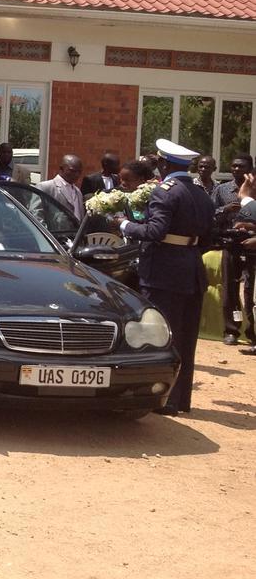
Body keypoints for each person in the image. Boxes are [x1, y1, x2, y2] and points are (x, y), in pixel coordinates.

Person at [114, 139, 214, 415]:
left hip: (163, 273)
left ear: (163, 164)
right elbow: (208, 239)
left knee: (161, 334)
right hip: (191, 270)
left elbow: (155, 231)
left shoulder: (165, 192)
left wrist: (125, 225)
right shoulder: (201, 193)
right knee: (185, 337)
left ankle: (163, 398)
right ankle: (180, 400)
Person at [212, 154, 256, 345]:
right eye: (234, 166)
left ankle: (252, 331)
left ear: (250, 169)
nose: (236, 169)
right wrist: (225, 210)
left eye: (241, 166)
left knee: (250, 290)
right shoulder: (221, 190)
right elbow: (210, 215)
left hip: (253, 246)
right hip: (230, 244)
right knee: (231, 289)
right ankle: (232, 329)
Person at [36, 155, 85, 220]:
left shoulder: (78, 192)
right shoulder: (46, 187)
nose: (77, 175)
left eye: (79, 172)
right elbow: (36, 214)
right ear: (61, 169)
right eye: (72, 171)